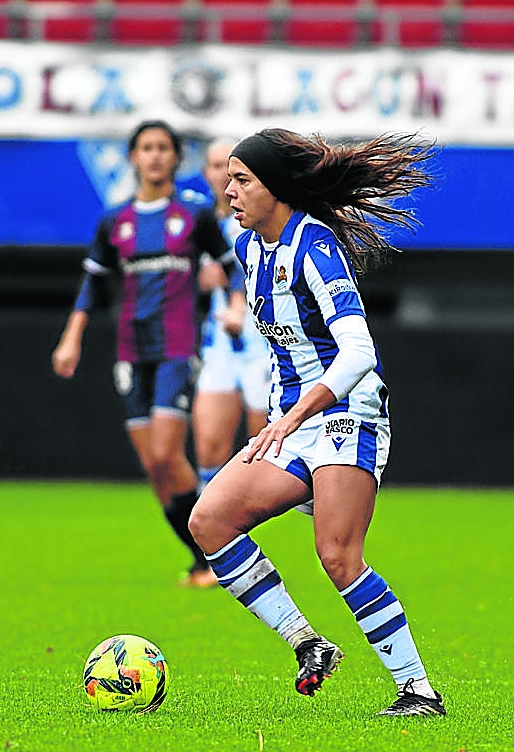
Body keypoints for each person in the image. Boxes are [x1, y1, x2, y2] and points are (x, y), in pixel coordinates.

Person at [187, 127, 446, 717]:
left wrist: (296, 413)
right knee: (210, 520)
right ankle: (307, 643)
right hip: (292, 422)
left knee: (336, 553)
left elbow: (358, 352)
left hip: (346, 413)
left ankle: (419, 691)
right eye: (228, 178)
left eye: (241, 180)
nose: (228, 191)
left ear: (274, 188)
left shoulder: (316, 246)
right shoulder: (248, 246)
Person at [51, 120, 233, 588]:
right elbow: (93, 283)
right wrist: (72, 337)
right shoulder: (115, 220)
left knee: (165, 452)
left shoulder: (194, 215)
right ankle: (202, 558)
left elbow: (232, 264)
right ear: (133, 157)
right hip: (131, 350)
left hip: (178, 345)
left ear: (176, 158)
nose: (154, 156)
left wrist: (230, 302)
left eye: (163, 148)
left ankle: (215, 550)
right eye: (146, 148)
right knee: (154, 466)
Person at [193, 138, 271, 493]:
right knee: (209, 447)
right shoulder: (197, 223)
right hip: (220, 344)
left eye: (230, 166)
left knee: (263, 451)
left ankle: (246, 525)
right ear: (204, 172)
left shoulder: (262, 220)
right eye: (214, 165)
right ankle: (213, 534)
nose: (222, 175)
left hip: (265, 344)